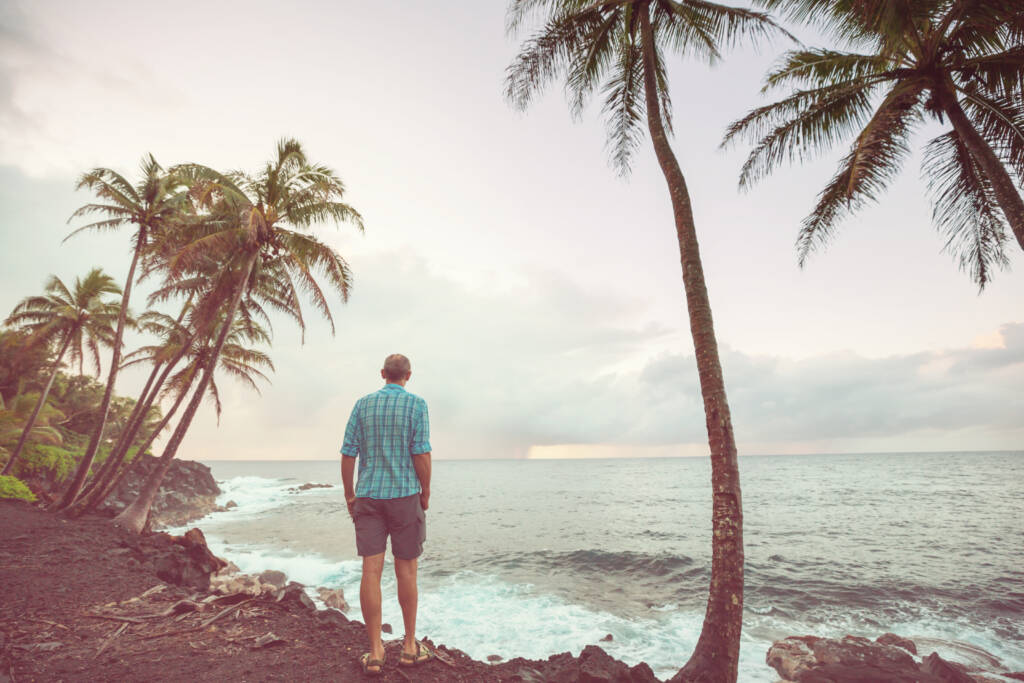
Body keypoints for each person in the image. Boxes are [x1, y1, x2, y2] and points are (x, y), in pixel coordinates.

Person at [341, 353, 434, 677]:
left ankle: (376, 651)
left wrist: (349, 494)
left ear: (383, 374)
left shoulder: (362, 404)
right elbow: (420, 451)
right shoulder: (417, 404)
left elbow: (348, 452)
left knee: (371, 570)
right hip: (405, 496)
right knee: (406, 570)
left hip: (368, 496)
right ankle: (409, 646)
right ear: (408, 374)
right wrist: (426, 490)